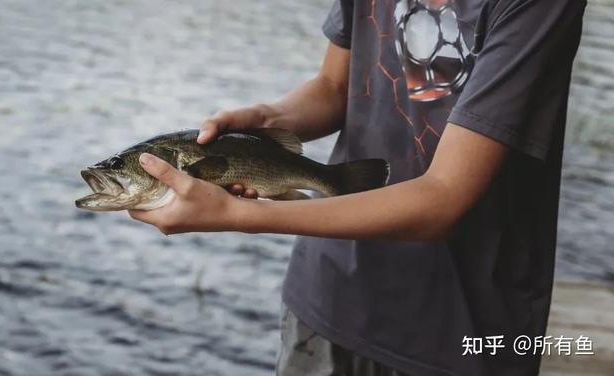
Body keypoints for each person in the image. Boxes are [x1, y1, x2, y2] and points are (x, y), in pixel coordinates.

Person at [128, 0, 586, 374]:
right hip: (328, 300)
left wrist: (239, 216)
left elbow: (443, 199)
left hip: (464, 328)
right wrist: (269, 118)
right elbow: (333, 85)